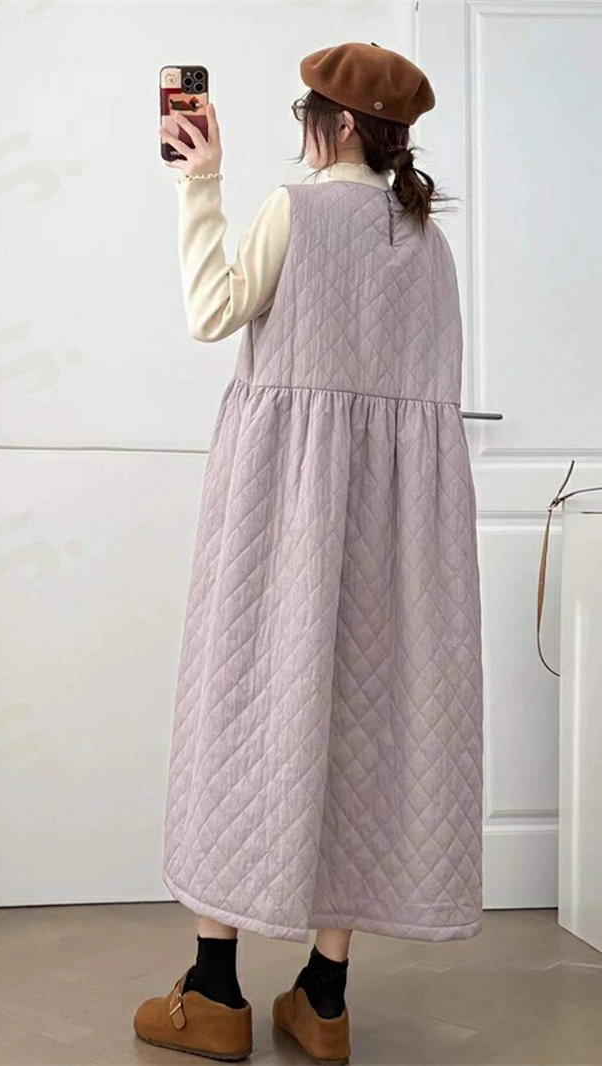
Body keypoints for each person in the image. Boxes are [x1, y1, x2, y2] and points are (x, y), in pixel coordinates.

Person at [134, 41, 483, 1065]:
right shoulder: (429, 242)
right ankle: (323, 1001)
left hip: (282, 509)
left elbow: (211, 312)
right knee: (364, 728)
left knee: (248, 715)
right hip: (399, 536)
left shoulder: (296, 209)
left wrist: (199, 182)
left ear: (327, 125)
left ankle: (214, 991)